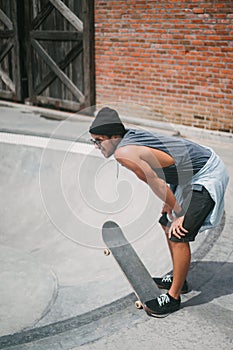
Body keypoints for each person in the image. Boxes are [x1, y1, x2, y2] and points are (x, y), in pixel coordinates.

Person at [89, 107, 229, 317]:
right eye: (93, 141)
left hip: (206, 172)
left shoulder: (125, 153)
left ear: (115, 136)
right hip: (186, 174)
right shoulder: (127, 139)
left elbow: (155, 181)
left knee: (178, 233)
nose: (96, 146)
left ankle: (173, 298)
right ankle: (179, 282)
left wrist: (179, 212)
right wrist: (171, 207)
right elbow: (165, 168)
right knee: (166, 221)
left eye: (99, 140)